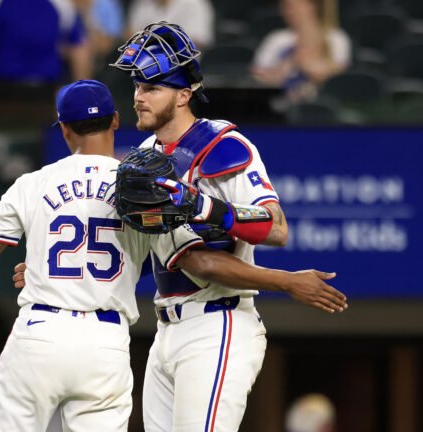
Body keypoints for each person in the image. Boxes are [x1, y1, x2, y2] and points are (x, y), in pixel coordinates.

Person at [0, 79, 346, 431]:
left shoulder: (33, 183)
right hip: (106, 344)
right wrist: (287, 281)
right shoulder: (140, 186)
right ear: (117, 122)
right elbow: (196, 261)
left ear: (64, 130)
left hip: (40, 328)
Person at [109, 21, 345, 431]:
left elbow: (276, 228)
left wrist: (203, 205)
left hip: (216, 324)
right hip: (165, 329)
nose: (138, 97)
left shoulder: (224, 145)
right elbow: (145, 251)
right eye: (136, 87)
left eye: (151, 87)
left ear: (184, 95)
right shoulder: (144, 154)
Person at [0, 0, 92, 125]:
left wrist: (78, 91)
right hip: (1, 93)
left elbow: (80, 48)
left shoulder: (62, 4)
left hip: (45, 94)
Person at [251, 0, 350, 102]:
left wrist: (306, 65)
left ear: (311, 6)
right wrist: (285, 68)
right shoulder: (277, 39)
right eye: (285, 6)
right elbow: (257, 75)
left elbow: (337, 77)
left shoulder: (335, 38)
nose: (288, 11)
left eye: (293, 6)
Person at [126, 0, 214, 49]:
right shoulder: (143, 3)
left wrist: (147, 41)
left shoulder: (194, 3)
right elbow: (130, 35)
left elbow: (194, 42)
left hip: (182, 67)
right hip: (143, 64)